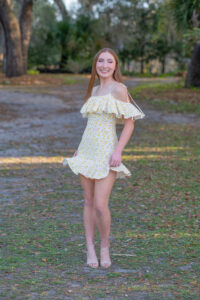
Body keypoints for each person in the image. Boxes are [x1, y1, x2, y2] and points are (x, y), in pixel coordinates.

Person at [62, 48, 146, 268]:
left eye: (110, 61)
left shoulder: (119, 89)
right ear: (95, 64)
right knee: (88, 201)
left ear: (115, 65)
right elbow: (91, 125)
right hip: (86, 151)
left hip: (107, 153)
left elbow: (129, 123)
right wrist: (79, 150)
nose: (105, 65)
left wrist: (118, 151)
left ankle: (104, 246)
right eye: (101, 61)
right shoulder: (95, 90)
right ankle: (89, 247)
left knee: (100, 205)